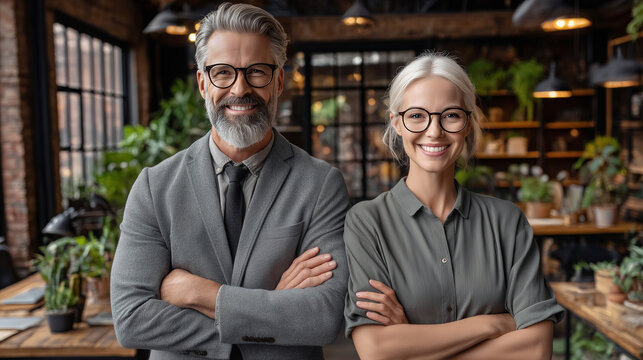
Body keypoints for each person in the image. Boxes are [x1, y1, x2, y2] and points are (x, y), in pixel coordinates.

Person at [110, 3, 350, 359]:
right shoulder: (154, 187)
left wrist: (199, 294)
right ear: (203, 83)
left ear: (278, 81)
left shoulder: (320, 184)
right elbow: (131, 320)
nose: (240, 89)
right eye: (223, 73)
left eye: (256, 72)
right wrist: (273, 310)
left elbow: (324, 318)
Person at [343, 52, 564, 359]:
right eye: (417, 115)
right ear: (397, 124)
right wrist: (493, 324)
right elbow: (376, 350)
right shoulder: (367, 222)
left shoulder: (507, 222)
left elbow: (536, 348)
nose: (434, 131)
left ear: (468, 123)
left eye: (450, 115)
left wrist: (412, 345)